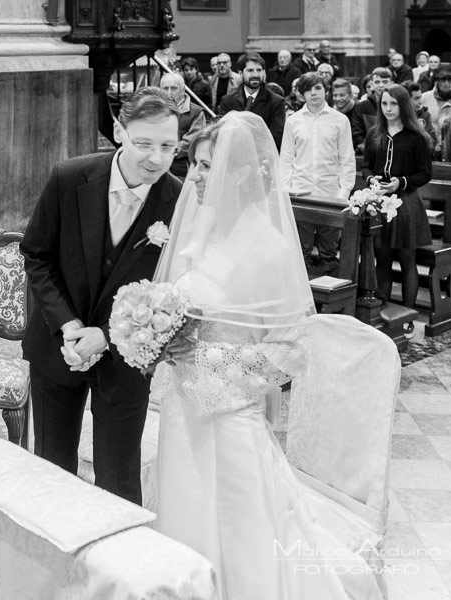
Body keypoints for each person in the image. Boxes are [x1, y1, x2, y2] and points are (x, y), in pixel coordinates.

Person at [150, 111, 386, 600]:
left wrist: (206, 355)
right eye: (192, 164)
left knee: (244, 536)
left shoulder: (269, 248)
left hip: (230, 418)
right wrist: (156, 334)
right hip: (181, 411)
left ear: (237, 173)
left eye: (204, 167)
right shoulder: (200, 231)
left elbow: (291, 352)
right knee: (182, 513)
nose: (192, 176)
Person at [21, 87, 182, 505]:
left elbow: (175, 293)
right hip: (59, 347)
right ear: (118, 131)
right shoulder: (69, 177)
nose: (156, 158)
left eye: (168, 146)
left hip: (127, 359)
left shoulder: (180, 201)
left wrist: (107, 337)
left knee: (119, 478)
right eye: (143, 143)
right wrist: (69, 325)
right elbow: (36, 256)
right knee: (52, 467)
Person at [361, 83, 433, 310]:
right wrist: (372, 179)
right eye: (384, 103)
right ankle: (384, 310)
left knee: (406, 261)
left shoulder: (416, 136)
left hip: (406, 203)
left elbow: (425, 174)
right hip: (379, 203)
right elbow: (366, 167)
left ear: (403, 105)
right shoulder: (375, 133)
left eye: (393, 103)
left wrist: (400, 182)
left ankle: (408, 313)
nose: (388, 108)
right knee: (381, 260)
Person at [280, 73, 356, 273]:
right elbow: (286, 159)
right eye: (308, 89)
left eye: (318, 88)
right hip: (301, 194)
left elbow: (347, 159)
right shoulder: (293, 121)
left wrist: (343, 194)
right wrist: (287, 191)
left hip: (330, 194)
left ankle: (330, 300)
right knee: (300, 251)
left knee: (328, 253)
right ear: (301, 93)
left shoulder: (340, 121)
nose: (313, 93)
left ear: (326, 91)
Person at [219, 53, 286, 149]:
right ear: (240, 73)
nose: (255, 74)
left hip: (264, 159)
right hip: (235, 156)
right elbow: (223, 133)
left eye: (259, 70)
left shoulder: (276, 102)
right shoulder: (227, 101)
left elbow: (276, 137)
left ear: (264, 73)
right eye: (250, 70)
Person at [160, 71, 207, 178]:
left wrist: (169, 149)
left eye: (174, 88)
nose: (169, 92)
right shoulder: (154, 110)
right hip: (158, 163)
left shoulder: (196, 112)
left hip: (184, 165)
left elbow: (193, 140)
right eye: (165, 88)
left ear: (183, 90)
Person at [351, 67, 393, 152]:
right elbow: (357, 133)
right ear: (372, 85)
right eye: (377, 82)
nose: (381, 85)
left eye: (385, 82)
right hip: (369, 151)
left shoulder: (398, 105)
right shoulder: (361, 107)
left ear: (392, 83)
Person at [402, 80, 437, 148]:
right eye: (416, 99)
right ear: (405, 99)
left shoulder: (425, 115)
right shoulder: (395, 117)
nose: (420, 102)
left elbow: (432, 141)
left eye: (420, 97)